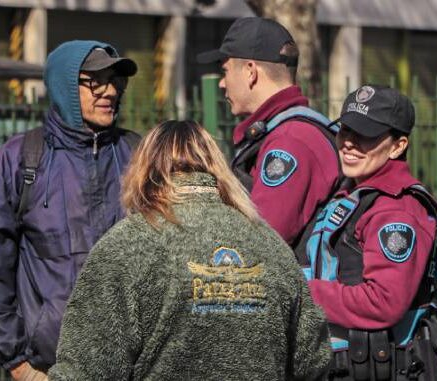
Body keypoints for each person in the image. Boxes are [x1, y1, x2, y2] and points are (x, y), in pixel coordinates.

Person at [46, 120, 332, 381]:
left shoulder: (126, 244)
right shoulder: (271, 245)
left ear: (142, 170)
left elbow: (84, 369)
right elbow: (313, 362)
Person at [0, 40, 139, 381]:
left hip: (135, 368)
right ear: (65, 84)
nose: (110, 91)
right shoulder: (19, 160)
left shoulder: (139, 155)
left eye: (116, 81)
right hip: (49, 369)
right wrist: (21, 367)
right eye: (96, 80)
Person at [298, 85, 437, 380]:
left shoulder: (396, 210)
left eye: (366, 136)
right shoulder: (353, 193)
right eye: (345, 131)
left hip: (383, 367)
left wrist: (299, 292)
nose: (348, 143)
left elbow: (383, 302)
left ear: (398, 146)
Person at [197, 17, 339, 248]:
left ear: (250, 71)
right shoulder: (285, 132)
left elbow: (260, 242)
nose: (222, 83)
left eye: (226, 70)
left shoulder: (290, 141)